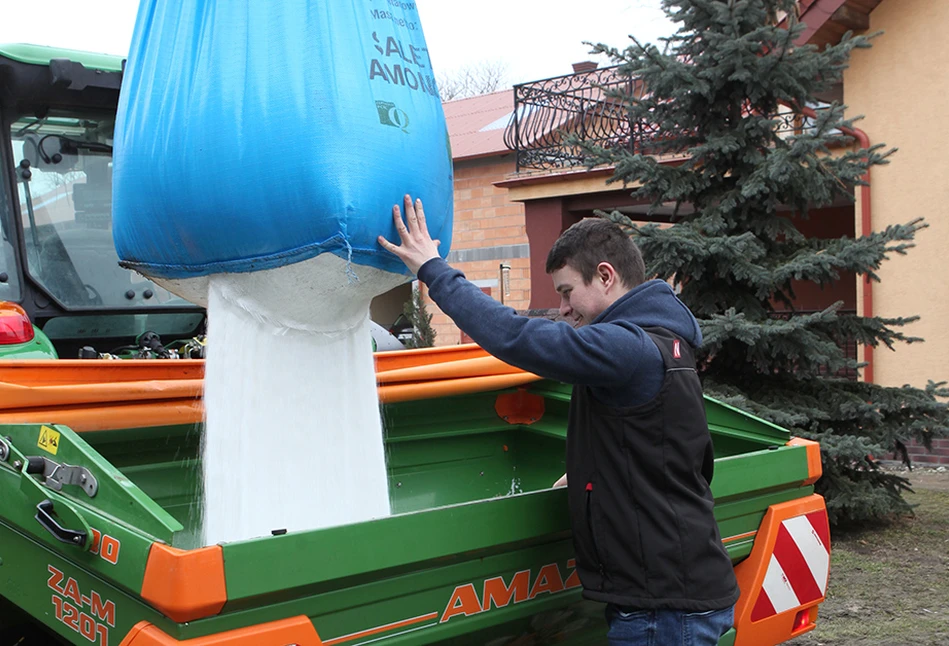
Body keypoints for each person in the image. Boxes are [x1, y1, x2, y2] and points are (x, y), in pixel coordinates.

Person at [378, 195, 739, 645]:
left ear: (605, 277)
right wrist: (595, 472)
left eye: (567, 292)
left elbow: (517, 336)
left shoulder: (627, 349)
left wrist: (433, 269)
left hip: (661, 608)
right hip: (677, 591)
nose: (564, 308)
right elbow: (679, 454)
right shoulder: (666, 345)